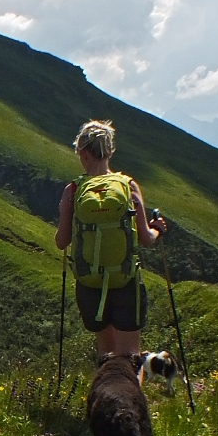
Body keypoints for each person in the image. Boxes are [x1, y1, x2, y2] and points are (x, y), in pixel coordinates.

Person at [54, 119, 167, 358]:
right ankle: (131, 393)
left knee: (106, 353)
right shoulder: (128, 186)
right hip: (125, 280)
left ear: (82, 153)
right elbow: (146, 238)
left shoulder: (73, 190)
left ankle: (106, 392)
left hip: (89, 282)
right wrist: (157, 229)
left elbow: (61, 242)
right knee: (130, 357)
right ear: (110, 151)